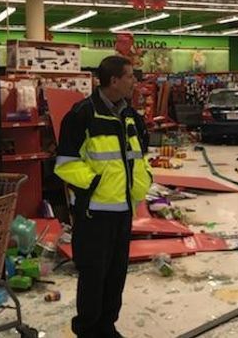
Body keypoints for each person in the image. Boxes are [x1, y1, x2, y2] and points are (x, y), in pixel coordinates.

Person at [54, 56, 152, 338]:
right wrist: (94, 184)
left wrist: (144, 181)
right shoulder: (82, 115)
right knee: (93, 275)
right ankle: (87, 330)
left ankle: (107, 326)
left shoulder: (130, 116)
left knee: (116, 274)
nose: (135, 81)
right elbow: (66, 164)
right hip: (94, 213)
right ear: (114, 81)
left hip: (123, 211)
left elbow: (138, 156)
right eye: (131, 76)